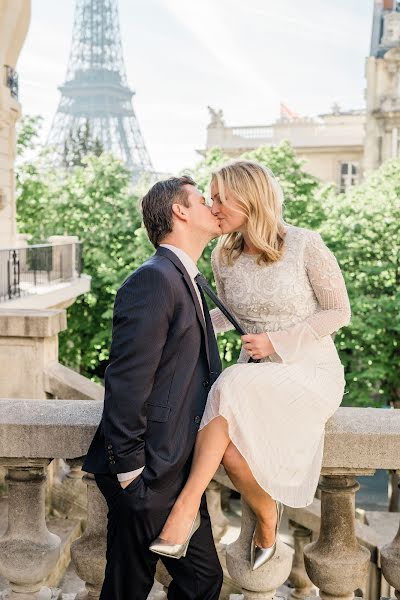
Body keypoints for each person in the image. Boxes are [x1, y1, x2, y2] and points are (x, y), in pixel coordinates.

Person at [150, 160, 351, 571]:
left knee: (230, 382)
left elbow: (338, 312)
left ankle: (184, 510)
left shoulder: (305, 244)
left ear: (251, 197)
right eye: (212, 198)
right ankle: (266, 515)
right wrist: (183, 325)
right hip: (254, 376)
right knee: (233, 457)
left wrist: (276, 341)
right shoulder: (224, 256)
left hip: (309, 372)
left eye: (222, 198)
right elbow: (227, 314)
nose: (215, 206)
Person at [83, 176, 224, 600]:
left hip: (174, 470)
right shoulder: (154, 280)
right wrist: (132, 477)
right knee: (150, 585)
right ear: (180, 211)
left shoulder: (186, 279)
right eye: (202, 200)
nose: (212, 206)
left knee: (192, 582)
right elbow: (126, 383)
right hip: (149, 473)